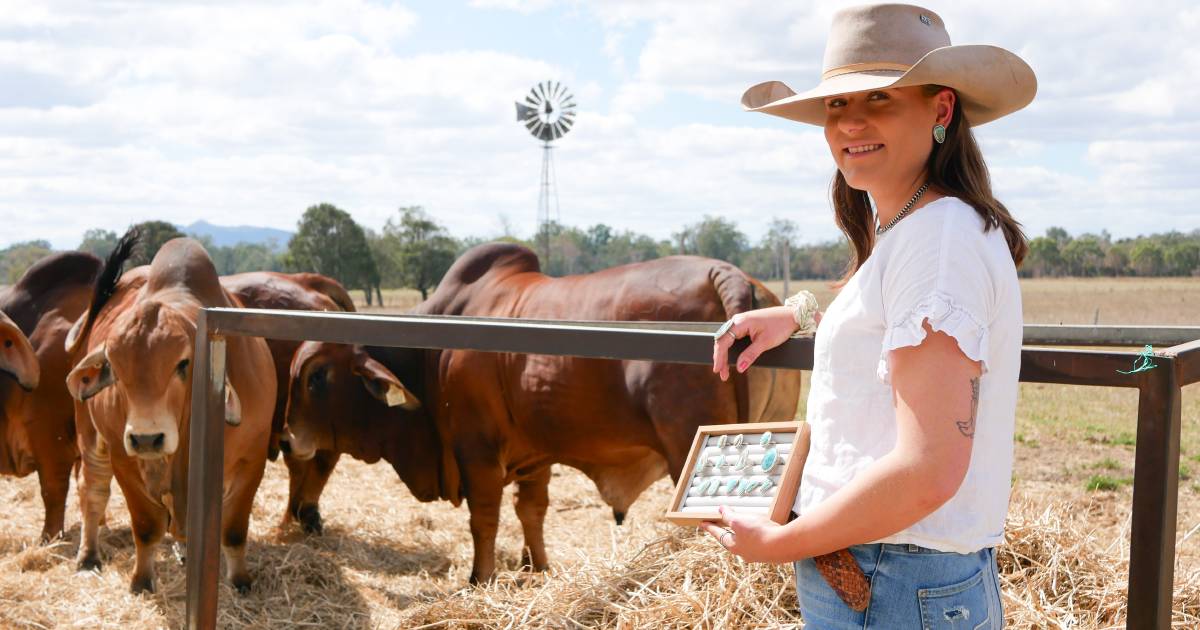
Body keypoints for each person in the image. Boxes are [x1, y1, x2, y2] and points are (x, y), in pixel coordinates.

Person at [702, 4, 1036, 628]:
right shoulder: (920, 230)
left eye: (878, 97)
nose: (849, 122)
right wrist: (800, 315)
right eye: (835, 104)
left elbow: (929, 467)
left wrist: (781, 545)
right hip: (895, 570)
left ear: (940, 110)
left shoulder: (937, 242)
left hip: (893, 575)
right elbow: (890, 317)